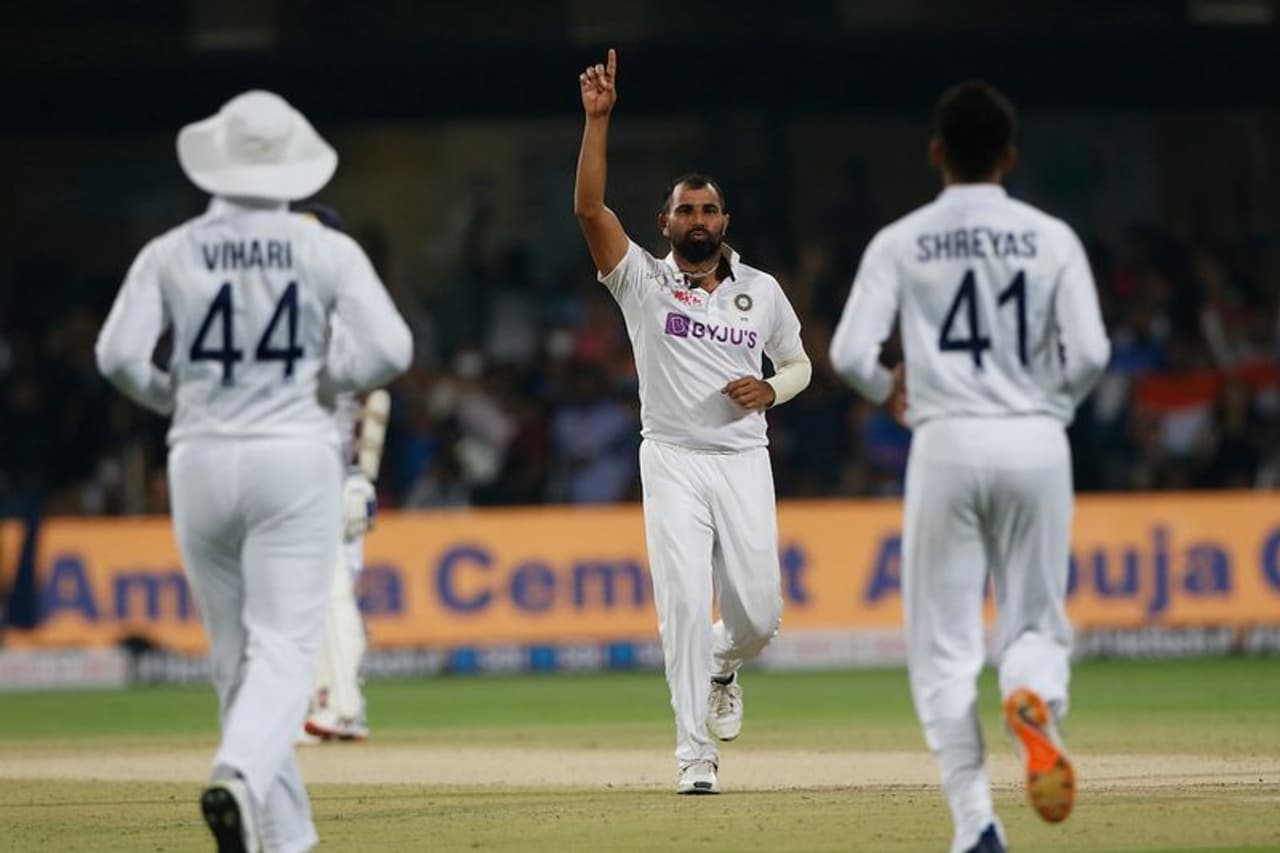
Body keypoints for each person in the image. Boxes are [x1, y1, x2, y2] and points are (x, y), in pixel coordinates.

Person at [96, 90, 412, 852]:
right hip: (294, 453)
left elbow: (116, 356)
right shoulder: (324, 249)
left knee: (235, 657)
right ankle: (238, 771)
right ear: (294, 165)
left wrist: (174, 396)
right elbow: (391, 350)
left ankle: (286, 836)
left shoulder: (171, 249)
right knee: (285, 651)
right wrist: (326, 381)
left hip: (199, 456)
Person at [829, 81, 1110, 853]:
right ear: (1009, 157)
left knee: (944, 647)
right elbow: (1091, 351)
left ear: (936, 152)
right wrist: (1049, 403)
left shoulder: (902, 240)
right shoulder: (1052, 238)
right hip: (1035, 440)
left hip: (945, 440)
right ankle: (1032, 693)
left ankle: (975, 820)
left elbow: (848, 353)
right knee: (1036, 619)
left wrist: (888, 389)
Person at [573, 49, 812, 795]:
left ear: (724, 221)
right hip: (671, 456)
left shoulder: (761, 290)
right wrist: (598, 121)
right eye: (686, 210)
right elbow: (589, 210)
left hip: (742, 457)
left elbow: (800, 363)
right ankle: (693, 753)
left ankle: (723, 661)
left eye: (708, 210)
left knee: (761, 618)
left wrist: (771, 389)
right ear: (665, 222)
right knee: (679, 601)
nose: (698, 220)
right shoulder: (642, 280)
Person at [291, 202, 377, 744]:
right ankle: (328, 702)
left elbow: (371, 397)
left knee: (327, 589)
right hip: (313, 472)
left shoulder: (341, 317)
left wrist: (359, 474)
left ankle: (340, 705)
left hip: (327, 473)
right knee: (308, 594)